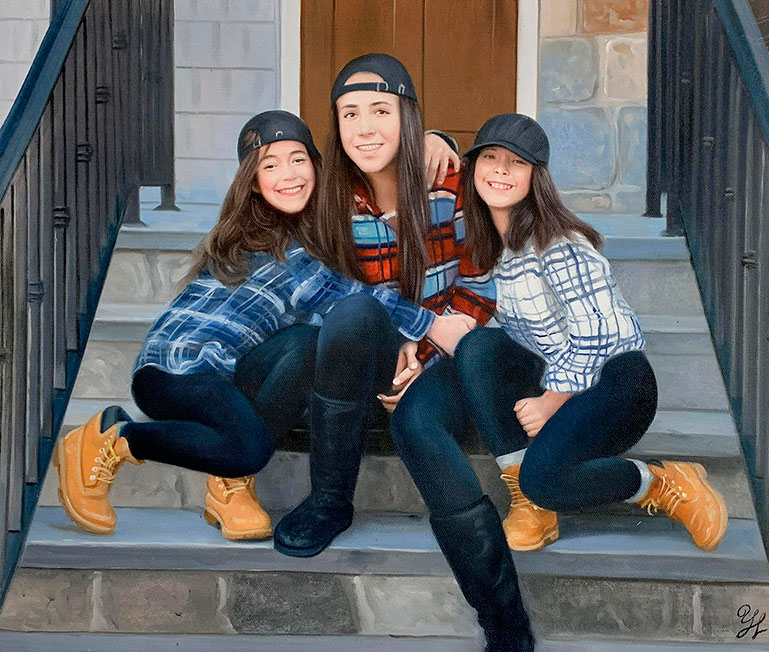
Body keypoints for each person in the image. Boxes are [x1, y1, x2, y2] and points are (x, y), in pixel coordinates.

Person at [392, 113, 729, 651]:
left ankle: (662, 483)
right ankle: (529, 503)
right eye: (490, 159)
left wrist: (553, 398)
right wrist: (425, 350)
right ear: (473, 168)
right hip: (551, 375)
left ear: (535, 177)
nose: (501, 171)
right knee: (479, 346)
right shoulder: (488, 250)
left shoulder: (558, 242)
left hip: (616, 382)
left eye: (516, 163)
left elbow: (606, 331)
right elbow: (496, 329)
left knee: (549, 477)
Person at [53, 110, 471, 541]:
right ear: (253, 182)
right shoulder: (270, 238)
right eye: (269, 165)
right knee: (249, 448)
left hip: (229, 372)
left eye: (297, 159)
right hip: (176, 372)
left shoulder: (311, 228)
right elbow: (341, 293)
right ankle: (116, 437)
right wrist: (429, 325)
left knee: (310, 343)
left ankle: (226, 481)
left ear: (316, 166)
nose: (287, 174)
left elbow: (371, 171)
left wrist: (435, 139)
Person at [267, 53, 496, 560]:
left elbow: (481, 287)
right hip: (359, 363)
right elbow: (318, 294)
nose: (364, 128)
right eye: (350, 114)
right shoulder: (326, 197)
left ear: (407, 118)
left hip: (439, 357)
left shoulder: (454, 186)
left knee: (423, 415)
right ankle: (329, 500)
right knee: (350, 313)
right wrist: (397, 344)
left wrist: (424, 352)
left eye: (380, 110)